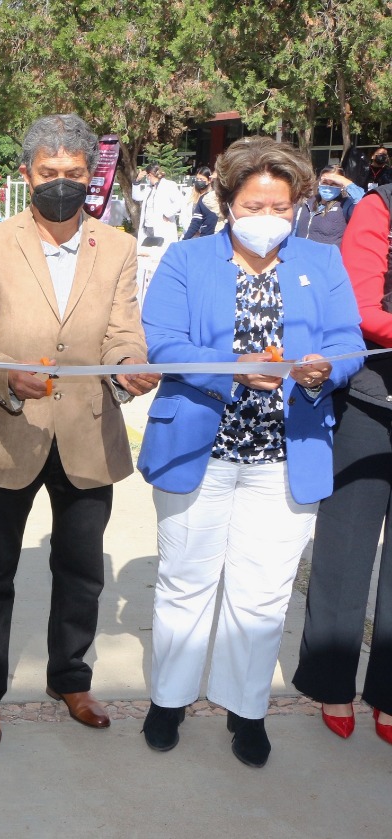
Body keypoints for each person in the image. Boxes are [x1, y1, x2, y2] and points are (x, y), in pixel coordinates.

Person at [137, 136, 364, 768]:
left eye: (281, 206)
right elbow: (164, 342)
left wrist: (324, 370)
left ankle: (246, 709)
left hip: (286, 454)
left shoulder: (322, 261)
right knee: (186, 583)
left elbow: (348, 340)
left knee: (262, 594)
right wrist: (231, 367)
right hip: (199, 450)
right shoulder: (187, 259)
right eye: (254, 205)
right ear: (227, 202)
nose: (268, 217)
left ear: (298, 205)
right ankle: (169, 700)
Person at [0, 114, 158, 750]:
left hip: (88, 435)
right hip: (6, 431)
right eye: (49, 173)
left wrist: (129, 366)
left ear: (92, 175)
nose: (62, 183)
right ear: (27, 174)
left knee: (81, 571)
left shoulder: (118, 247)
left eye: (74, 173)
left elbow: (124, 331)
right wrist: (2, 376)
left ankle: (71, 679)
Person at [292, 182, 392, 747]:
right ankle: (331, 681)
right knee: (347, 547)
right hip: (373, 402)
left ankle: (390, 693)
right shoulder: (381, 206)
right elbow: (363, 308)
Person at [293, 165, 364, 245]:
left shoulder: (346, 205)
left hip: (328, 252)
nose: (328, 187)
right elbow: (294, 229)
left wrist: (344, 181)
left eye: (334, 183)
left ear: (341, 186)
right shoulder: (307, 202)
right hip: (300, 251)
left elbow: (365, 203)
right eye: (325, 182)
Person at [132, 162, 184, 250]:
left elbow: (180, 201)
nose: (147, 178)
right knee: (147, 252)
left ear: (150, 175)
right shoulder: (149, 188)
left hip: (162, 225)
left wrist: (167, 213)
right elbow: (136, 197)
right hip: (147, 227)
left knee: (161, 251)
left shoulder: (168, 185)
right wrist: (137, 180)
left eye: (147, 176)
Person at [181, 166, 219, 239]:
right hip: (189, 233)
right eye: (197, 179)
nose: (199, 181)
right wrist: (191, 230)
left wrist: (200, 230)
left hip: (205, 235)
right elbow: (184, 215)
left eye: (201, 179)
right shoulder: (189, 194)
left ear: (209, 180)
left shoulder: (211, 197)